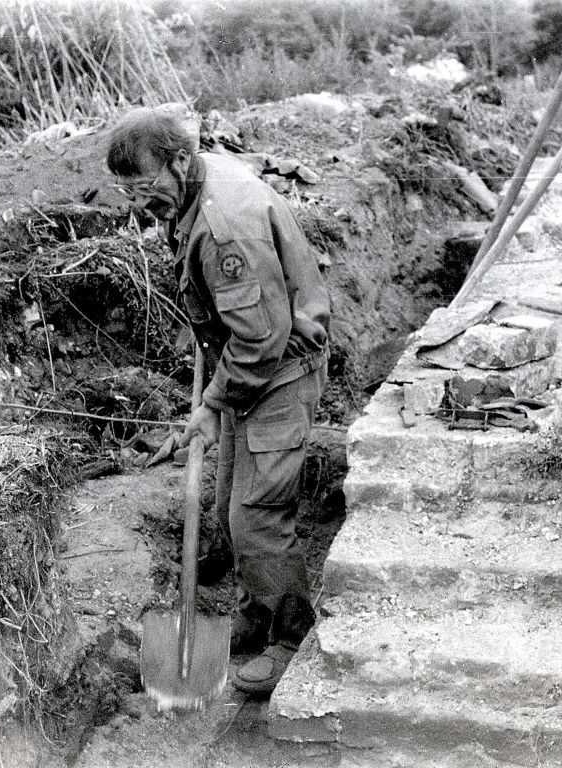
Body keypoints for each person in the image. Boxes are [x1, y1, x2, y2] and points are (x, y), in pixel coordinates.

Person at [106, 108, 330, 695]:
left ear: (179, 160)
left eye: (144, 186)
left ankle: (289, 641)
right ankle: (256, 614)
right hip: (254, 368)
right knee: (231, 496)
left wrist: (211, 403)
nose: (137, 203)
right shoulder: (198, 184)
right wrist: (213, 386)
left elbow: (260, 337)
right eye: (126, 191)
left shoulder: (223, 224)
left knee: (256, 515)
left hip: (278, 372)